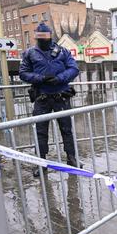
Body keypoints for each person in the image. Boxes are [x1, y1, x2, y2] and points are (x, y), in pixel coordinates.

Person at [20, 22, 80, 177]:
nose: (42, 41)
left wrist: (60, 78)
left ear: (50, 37)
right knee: (40, 132)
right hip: (42, 97)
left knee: (66, 130)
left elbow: (74, 69)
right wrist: (41, 78)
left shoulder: (62, 51)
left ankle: (72, 159)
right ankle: (41, 163)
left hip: (61, 96)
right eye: (39, 38)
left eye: (44, 38)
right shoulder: (29, 53)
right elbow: (23, 73)